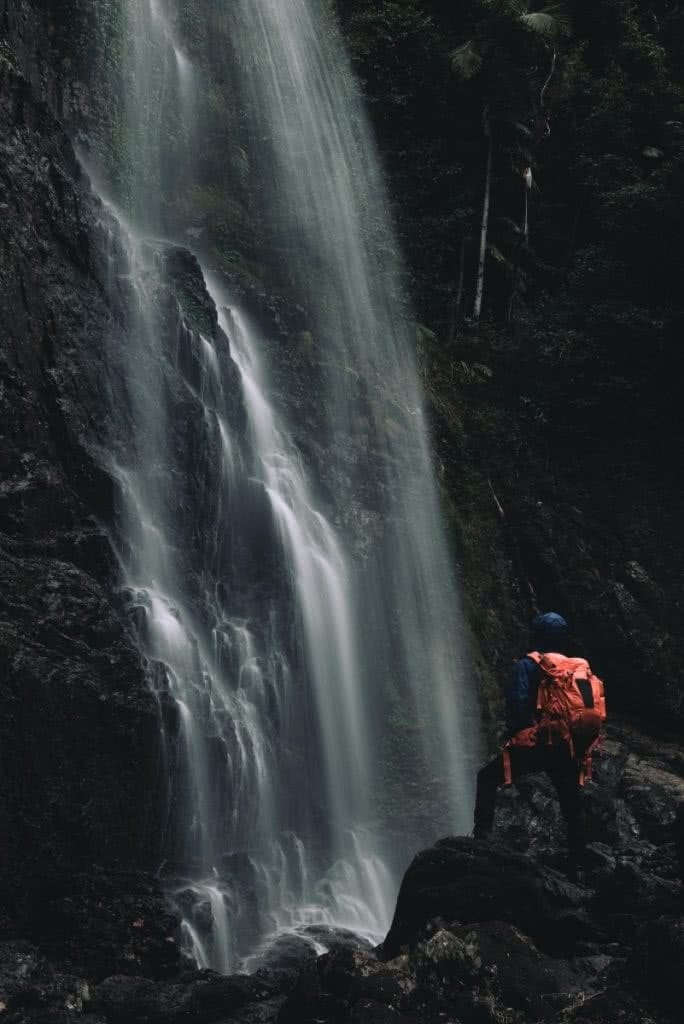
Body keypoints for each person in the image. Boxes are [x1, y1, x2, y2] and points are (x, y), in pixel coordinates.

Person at [473, 612, 605, 873]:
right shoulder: (575, 668)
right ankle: (577, 858)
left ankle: (481, 839)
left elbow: (517, 702)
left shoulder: (529, 664)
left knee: (487, 778)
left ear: (537, 636)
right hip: (567, 745)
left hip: (539, 742)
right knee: (569, 798)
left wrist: (520, 733)